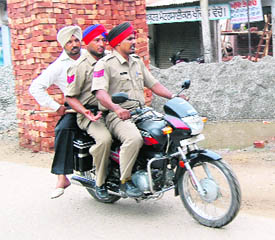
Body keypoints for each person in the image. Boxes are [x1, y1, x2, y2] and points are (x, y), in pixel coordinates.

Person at [92, 22, 188, 198]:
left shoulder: (137, 62)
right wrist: (116, 108)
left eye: (134, 37)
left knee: (170, 130)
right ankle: (125, 181)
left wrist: (174, 96)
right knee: (134, 138)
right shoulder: (104, 64)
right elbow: (100, 93)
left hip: (141, 111)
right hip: (117, 115)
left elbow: (153, 84)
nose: (134, 41)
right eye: (130, 39)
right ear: (118, 43)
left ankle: (162, 169)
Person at [29, 25, 84, 199]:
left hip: (100, 104)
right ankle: (62, 177)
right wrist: (57, 107)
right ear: (63, 45)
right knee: (62, 130)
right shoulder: (58, 66)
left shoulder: (90, 57)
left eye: (76, 40)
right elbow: (35, 87)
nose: (74, 44)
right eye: (69, 42)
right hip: (75, 108)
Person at [65, 24, 112, 200]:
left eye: (104, 40)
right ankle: (99, 183)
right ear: (87, 43)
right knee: (104, 139)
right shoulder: (79, 67)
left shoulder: (109, 60)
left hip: (111, 111)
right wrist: (85, 112)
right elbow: (70, 97)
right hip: (90, 115)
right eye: (97, 40)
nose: (101, 44)